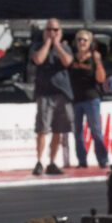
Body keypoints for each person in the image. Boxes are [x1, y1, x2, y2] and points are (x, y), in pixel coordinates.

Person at [30, 18, 74, 176]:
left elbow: (68, 62)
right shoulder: (37, 46)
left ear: (60, 32)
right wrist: (48, 43)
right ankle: (39, 161)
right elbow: (38, 59)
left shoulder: (66, 48)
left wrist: (57, 45)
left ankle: (52, 161)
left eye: (56, 30)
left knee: (59, 130)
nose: (52, 33)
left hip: (62, 93)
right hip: (45, 93)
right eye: (49, 30)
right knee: (43, 129)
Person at [70, 29, 109, 169]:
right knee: (77, 132)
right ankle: (82, 160)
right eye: (79, 39)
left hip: (91, 98)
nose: (81, 42)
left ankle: (103, 160)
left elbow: (101, 78)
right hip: (76, 99)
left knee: (95, 130)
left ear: (90, 42)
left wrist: (98, 62)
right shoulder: (72, 58)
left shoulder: (93, 57)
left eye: (85, 40)